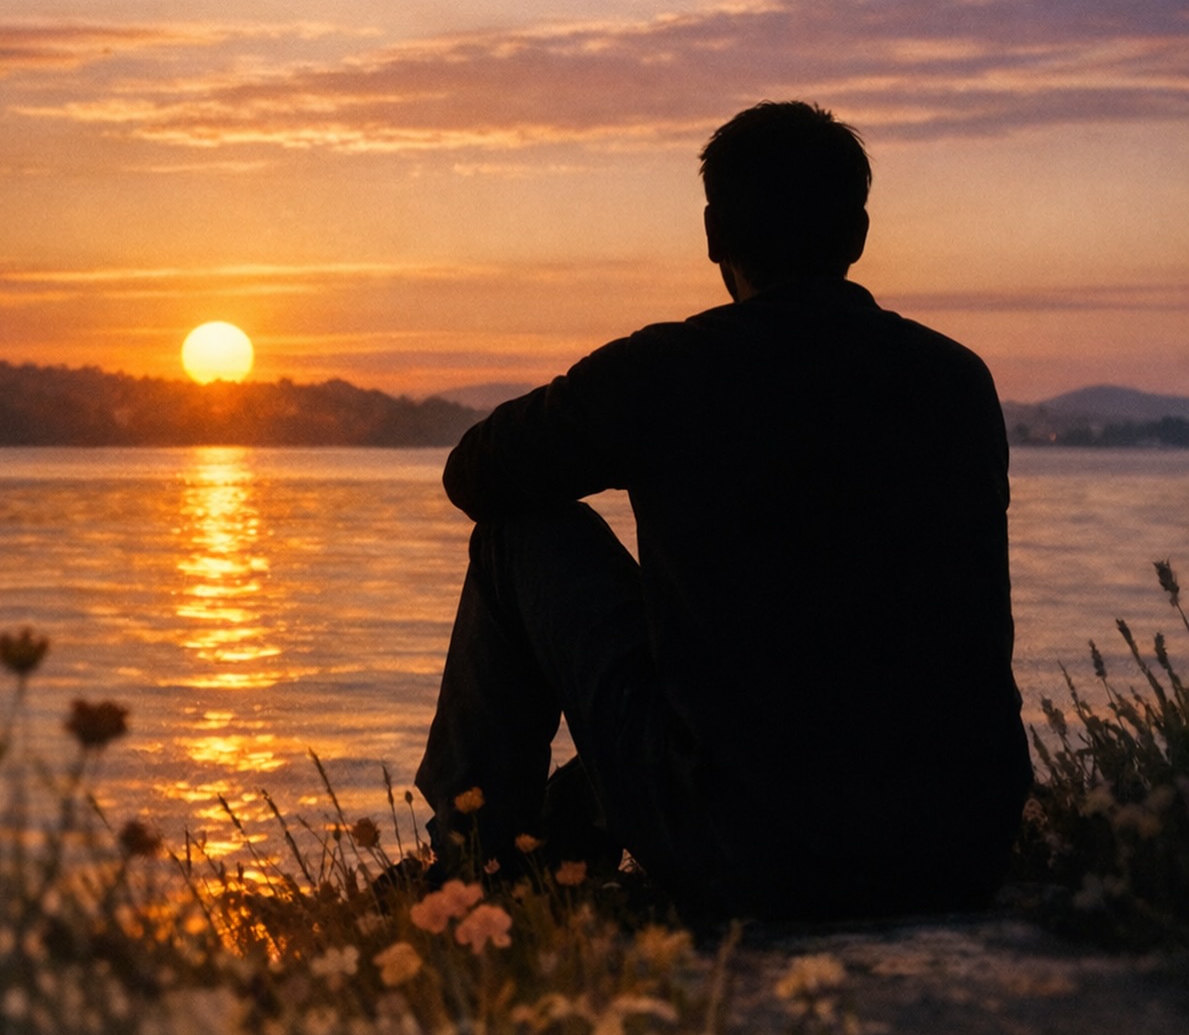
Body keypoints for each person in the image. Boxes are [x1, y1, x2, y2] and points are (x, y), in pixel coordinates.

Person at [416, 100, 1031, 923]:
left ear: (713, 235)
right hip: (956, 846)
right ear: (856, 234)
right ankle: (556, 837)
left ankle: (471, 871)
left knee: (520, 534)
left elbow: (474, 475)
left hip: (749, 851)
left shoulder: (668, 372)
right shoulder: (956, 379)